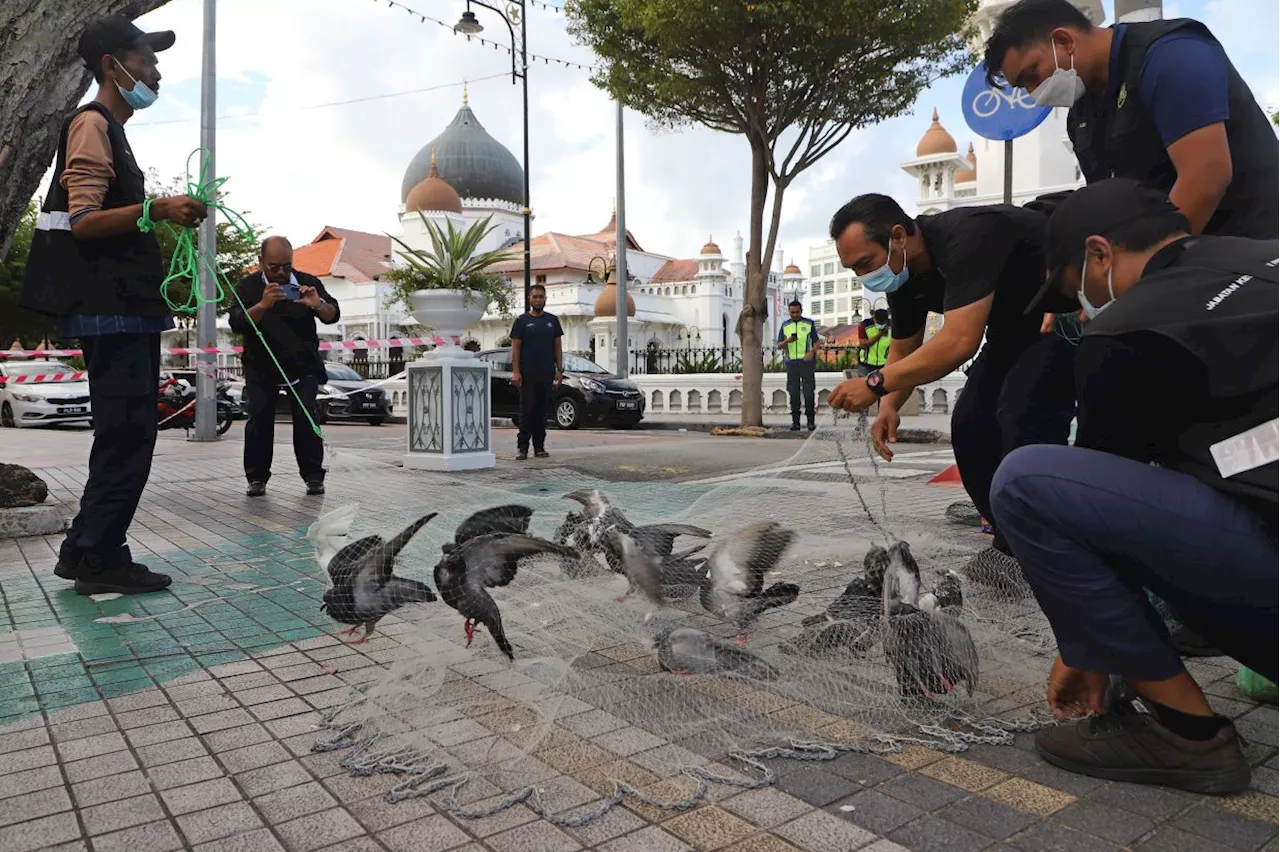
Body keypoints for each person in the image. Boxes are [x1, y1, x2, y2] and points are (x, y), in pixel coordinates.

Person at [991, 178, 1280, 794]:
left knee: (1028, 482)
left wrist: (1085, 647)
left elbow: (1089, 517)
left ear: (1100, 255)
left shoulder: (1125, 327)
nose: (1078, 310)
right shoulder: (1265, 252)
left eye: (1075, 290)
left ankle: (1187, 735)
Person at [20, 15, 207, 595]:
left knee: (122, 434)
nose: (155, 71)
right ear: (112, 64)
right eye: (146, 58)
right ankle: (100, 557)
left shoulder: (109, 130)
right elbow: (83, 222)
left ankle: (85, 549)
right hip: (113, 310)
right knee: (128, 435)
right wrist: (158, 210)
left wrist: (156, 211)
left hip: (120, 309)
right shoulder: (91, 125)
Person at [826, 195, 1076, 573]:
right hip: (1010, 331)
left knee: (1021, 415)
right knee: (970, 424)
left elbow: (959, 342)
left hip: (1061, 316)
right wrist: (889, 406)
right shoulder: (903, 279)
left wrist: (875, 383)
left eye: (865, 263)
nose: (864, 277)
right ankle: (1011, 538)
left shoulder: (966, 236)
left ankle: (1048, 546)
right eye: (854, 270)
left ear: (898, 236)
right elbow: (904, 348)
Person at [983, 0, 1280, 239]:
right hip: (1183, 267)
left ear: (1063, 41)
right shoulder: (1081, 117)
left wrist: (1142, 273)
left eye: (1032, 74)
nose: (1035, 94)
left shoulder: (1170, 55)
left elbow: (1207, 176)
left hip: (1253, 251)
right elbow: (1112, 204)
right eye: (1024, 88)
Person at [228, 236, 340, 497]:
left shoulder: (307, 282)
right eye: (273, 267)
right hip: (261, 366)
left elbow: (333, 314)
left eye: (286, 267)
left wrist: (318, 304)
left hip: (303, 365)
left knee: (306, 419)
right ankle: (256, 478)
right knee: (259, 419)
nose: (280, 273)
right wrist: (263, 305)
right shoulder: (247, 286)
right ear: (261, 262)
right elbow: (237, 322)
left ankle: (313, 477)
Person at [509, 283, 563, 460]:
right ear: (529, 299)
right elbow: (515, 349)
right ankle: (522, 448)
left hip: (546, 373)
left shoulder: (552, 321)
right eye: (535, 297)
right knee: (527, 411)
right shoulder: (522, 321)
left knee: (542, 411)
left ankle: (539, 447)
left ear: (545, 299)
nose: (538, 300)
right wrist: (516, 372)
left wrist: (559, 370)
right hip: (527, 374)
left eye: (541, 297)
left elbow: (557, 347)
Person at [776, 301, 819, 431]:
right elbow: (779, 345)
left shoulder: (809, 323)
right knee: (793, 393)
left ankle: (810, 422)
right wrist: (787, 341)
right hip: (791, 363)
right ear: (789, 312)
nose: (795, 315)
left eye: (797, 312)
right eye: (792, 312)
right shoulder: (785, 325)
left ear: (801, 311)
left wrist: (812, 352)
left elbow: (817, 342)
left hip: (806, 362)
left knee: (808, 392)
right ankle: (796, 423)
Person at [857, 309, 891, 377]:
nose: (880, 324)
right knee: (864, 386)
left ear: (886, 320)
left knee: (883, 386)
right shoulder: (865, 325)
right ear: (874, 319)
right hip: (866, 365)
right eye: (878, 322)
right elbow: (863, 344)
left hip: (885, 364)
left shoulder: (893, 327)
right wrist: (880, 334)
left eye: (882, 323)